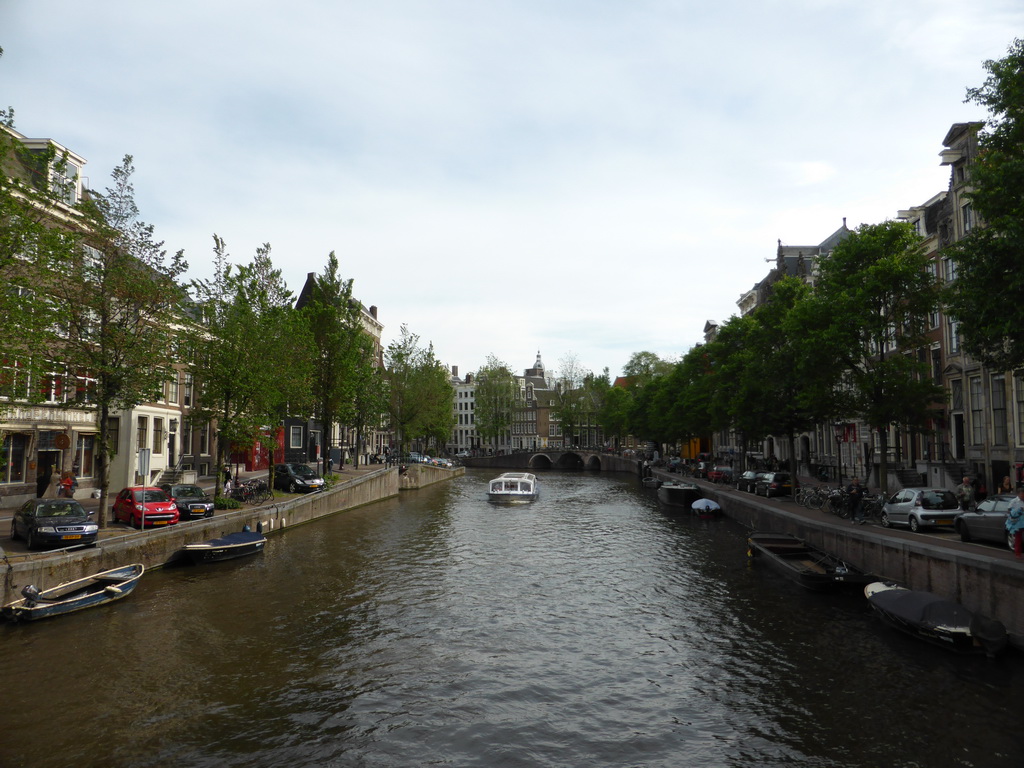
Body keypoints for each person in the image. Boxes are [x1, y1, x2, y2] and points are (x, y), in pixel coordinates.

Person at [1006, 487, 1024, 559]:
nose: (1023, 496)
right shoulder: (1014, 501)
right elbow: (1009, 511)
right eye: (1022, 494)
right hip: (1018, 522)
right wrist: (1017, 511)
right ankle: (1018, 553)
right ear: (1018, 494)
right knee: (1018, 537)